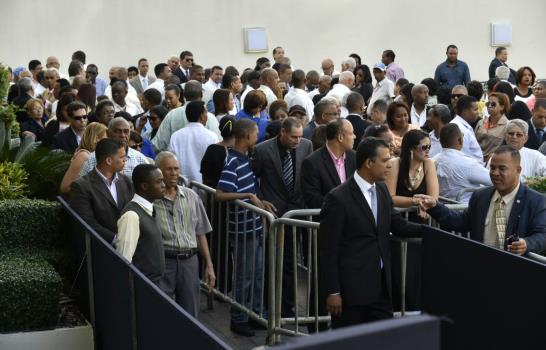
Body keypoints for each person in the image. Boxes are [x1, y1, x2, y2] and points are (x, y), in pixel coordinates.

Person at [320, 137, 424, 329]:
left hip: (381, 289)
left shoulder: (382, 190)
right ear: (369, 163)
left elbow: (397, 225)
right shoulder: (338, 198)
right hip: (351, 291)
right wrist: (333, 291)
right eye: (385, 160)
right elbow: (328, 249)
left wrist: (430, 232)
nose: (390, 166)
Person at [420, 145, 546, 255]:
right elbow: (461, 222)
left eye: (502, 168)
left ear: (518, 170)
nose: (495, 173)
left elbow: (542, 235)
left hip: (514, 272)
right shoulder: (480, 196)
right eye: (492, 168)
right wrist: (435, 207)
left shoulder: (535, 201)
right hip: (481, 266)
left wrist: (527, 244)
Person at [215, 119, 275, 337]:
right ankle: (238, 318)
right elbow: (220, 194)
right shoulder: (233, 161)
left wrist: (259, 199)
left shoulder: (244, 159)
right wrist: (248, 196)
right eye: (255, 133)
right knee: (245, 276)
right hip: (242, 230)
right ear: (247, 136)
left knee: (257, 274)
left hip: (253, 227)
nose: (258, 137)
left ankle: (256, 313)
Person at [253, 117, 313, 317]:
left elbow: (307, 175)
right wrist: (260, 200)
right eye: (293, 137)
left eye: (300, 137)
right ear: (283, 133)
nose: (297, 141)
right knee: (278, 261)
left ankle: (288, 307)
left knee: (295, 262)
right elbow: (254, 178)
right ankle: (275, 305)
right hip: (275, 214)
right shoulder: (262, 150)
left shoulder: (306, 146)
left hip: (299, 212)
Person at [153, 152, 215, 317]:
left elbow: (200, 233)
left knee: (190, 314)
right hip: (164, 262)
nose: (173, 173)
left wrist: (209, 265)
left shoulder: (191, 196)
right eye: (168, 169)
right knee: (161, 312)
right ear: (158, 171)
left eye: (176, 169)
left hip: (189, 261)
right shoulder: (152, 201)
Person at [385, 129, 438, 311]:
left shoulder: (429, 164)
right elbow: (390, 197)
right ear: (411, 149)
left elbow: (433, 197)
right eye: (424, 147)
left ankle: (414, 313)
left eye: (429, 146)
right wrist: (415, 201)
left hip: (420, 225)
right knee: (400, 275)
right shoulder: (395, 164)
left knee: (416, 275)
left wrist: (425, 205)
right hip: (397, 226)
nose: (428, 150)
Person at [70, 138, 134, 243]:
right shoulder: (81, 186)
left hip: (131, 244)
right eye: (122, 157)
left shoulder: (126, 181)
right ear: (109, 161)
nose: (125, 159)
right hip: (101, 248)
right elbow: (87, 222)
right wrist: (116, 239)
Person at [117, 164, 165, 285]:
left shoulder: (150, 208)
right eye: (159, 182)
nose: (164, 185)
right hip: (142, 288)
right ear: (144, 186)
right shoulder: (131, 215)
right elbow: (124, 260)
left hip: (154, 284)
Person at [301, 119, 356, 209]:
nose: (354, 136)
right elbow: (313, 199)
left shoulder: (354, 157)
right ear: (340, 137)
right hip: (328, 218)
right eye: (351, 133)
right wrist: (343, 206)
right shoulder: (312, 162)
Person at [152, 81, 221, 152]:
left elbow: (158, 145)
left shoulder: (172, 115)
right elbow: (219, 145)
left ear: (184, 95)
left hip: (177, 162)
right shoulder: (210, 117)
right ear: (201, 94)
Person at [434, 124, 491, 203]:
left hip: (439, 210)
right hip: (464, 211)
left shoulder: (432, 161)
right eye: (462, 136)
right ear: (460, 140)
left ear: (440, 141)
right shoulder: (469, 164)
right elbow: (493, 179)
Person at [80, 117, 149, 176]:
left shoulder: (140, 159)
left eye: (126, 131)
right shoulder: (92, 159)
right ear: (108, 133)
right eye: (118, 131)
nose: (122, 135)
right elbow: (82, 187)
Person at [169, 101, 219, 183]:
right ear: (202, 116)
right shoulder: (212, 136)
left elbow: (172, 160)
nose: (207, 116)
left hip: (182, 184)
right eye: (206, 112)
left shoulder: (176, 136)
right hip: (203, 187)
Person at [60, 122, 108, 194]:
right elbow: (65, 187)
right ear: (97, 138)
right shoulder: (83, 156)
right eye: (106, 138)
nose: (108, 141)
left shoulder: (95, 156)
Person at [475, 92, 510, 161]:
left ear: (502, 107)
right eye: (488, 104)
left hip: (494, 162)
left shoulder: (508, 125)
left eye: (493, 104)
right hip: (476, 160)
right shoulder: (480, 122)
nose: (489, 106)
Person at [450, 95, 483, 163]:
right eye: (475, 109)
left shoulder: (463, 125)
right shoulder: (459, 129)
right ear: (465, 111)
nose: (478, 112)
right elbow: (464, 158)